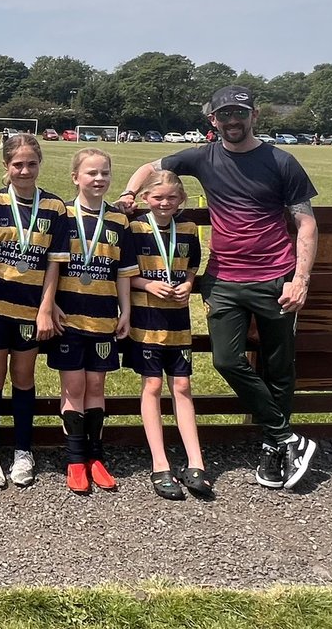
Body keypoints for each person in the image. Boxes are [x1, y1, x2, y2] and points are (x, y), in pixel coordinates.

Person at [119, 85, 319, 490]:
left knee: (279, 368)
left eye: (239, 114)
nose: (231, 121)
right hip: (224, 279)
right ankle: (287, 436)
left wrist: (300, 280)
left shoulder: (282, 161)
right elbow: (148, 167)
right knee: (227, 361)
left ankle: (274, 447)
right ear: (212, 120)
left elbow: (306, 223)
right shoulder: (202, 156)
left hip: (275, 277)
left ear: (254, 116)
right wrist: (128, 192)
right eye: (223, 115)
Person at [0, 134, 67, 488]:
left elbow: (54, 265)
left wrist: (45, 308)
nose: (24, 170)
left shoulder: (55, 208)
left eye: (31, 164)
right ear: (6, 167)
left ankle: (23, 450)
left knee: (24, 379)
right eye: (17, 164)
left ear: (40, 164)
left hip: (31, 309)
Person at [50, 148, 138, 494]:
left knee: (97, 387)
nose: (99, 179)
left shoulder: (118, 221)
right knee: (73, 387)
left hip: (103, 318)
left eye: (104, 173)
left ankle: (95, 457)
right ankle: (74, 459)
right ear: (75, 177)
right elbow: (51, 266)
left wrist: (126, 310)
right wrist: (52, 303)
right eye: (91, 173)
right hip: (69, 317)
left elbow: (123, 273)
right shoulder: (62, 216)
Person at [126, 171, 212, 500]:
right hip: (146, 318)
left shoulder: (188, 228)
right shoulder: (135, 228)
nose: (164, 203)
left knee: (183, 385)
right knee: (152, 385)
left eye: (172, 198)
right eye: (158, 197)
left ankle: (195, 462)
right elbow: (124, 273)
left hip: (178, 320)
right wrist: (148, 284)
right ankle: (160, 463)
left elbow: (192, 265)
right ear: (146, 198)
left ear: (182, 200)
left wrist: (189, 284)